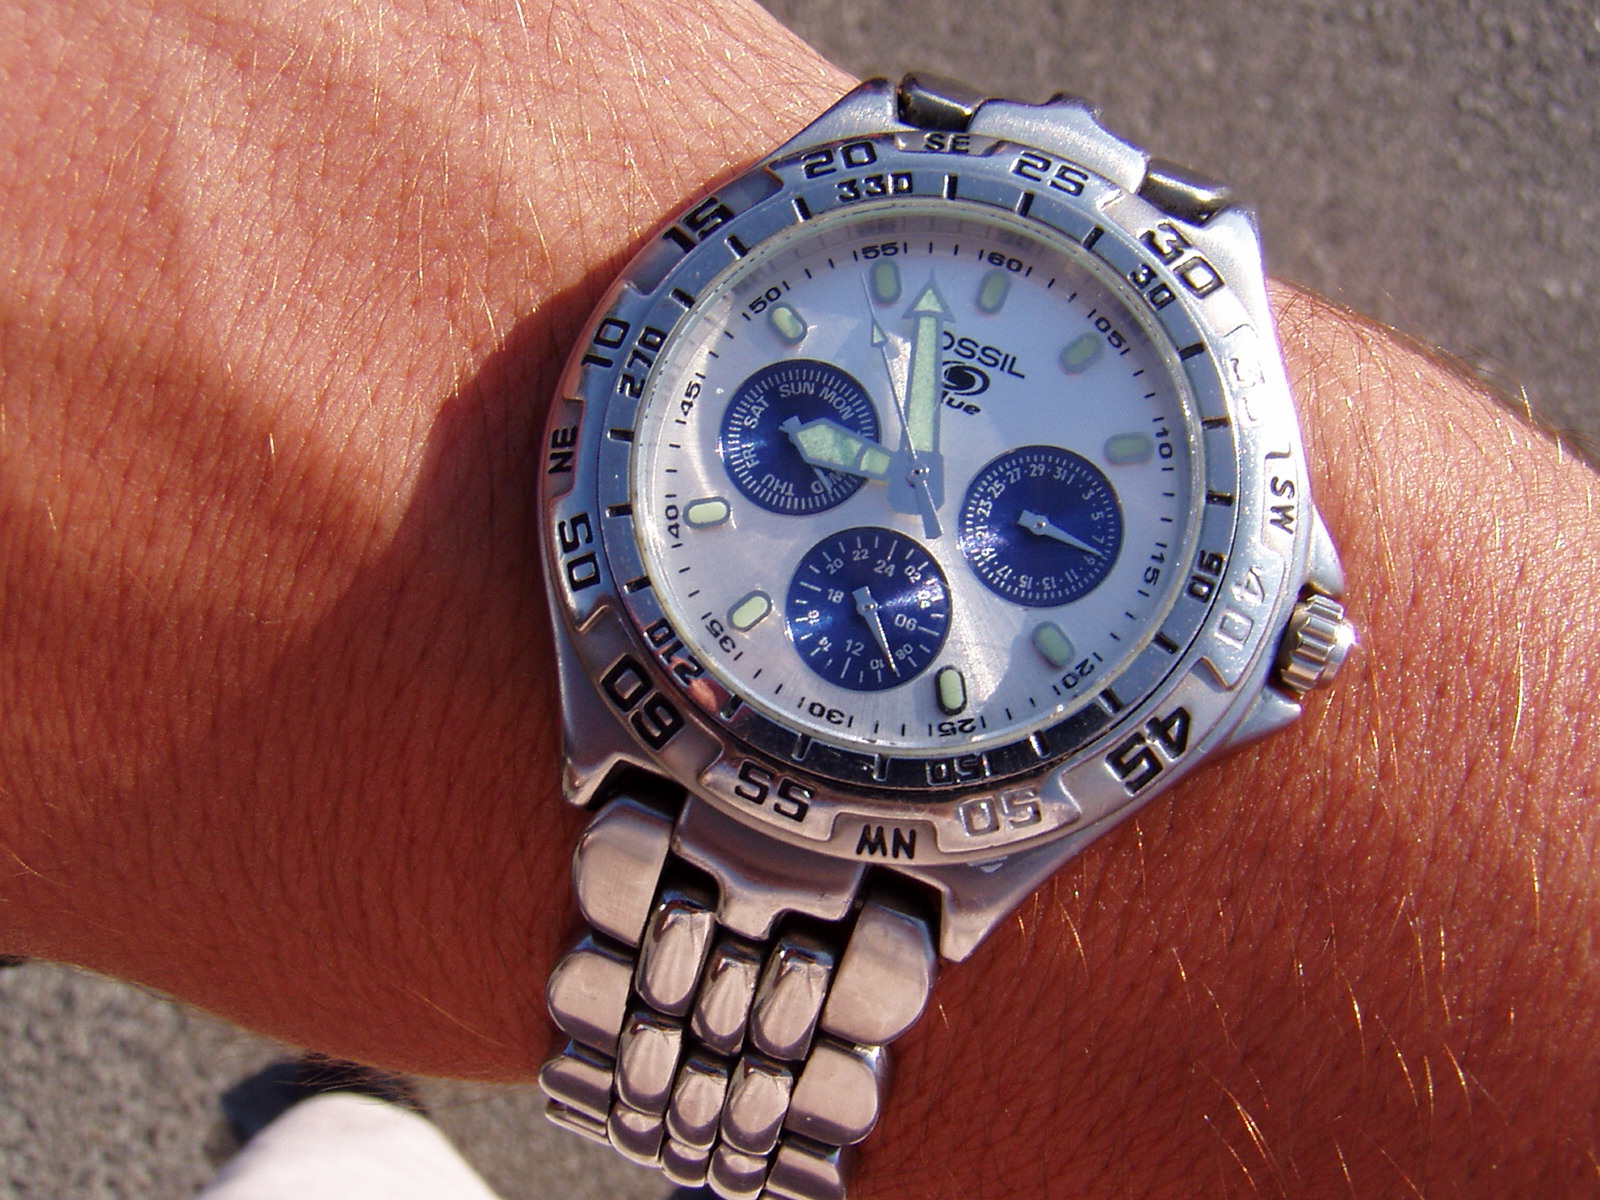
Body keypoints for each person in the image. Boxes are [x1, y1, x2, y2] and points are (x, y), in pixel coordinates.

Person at [0, 0, 1595, 1196]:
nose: (916, 496)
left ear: (1289, 624)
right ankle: (374, 1137)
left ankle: (349, 1136)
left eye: (1044, 527)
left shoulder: (1227, 583)